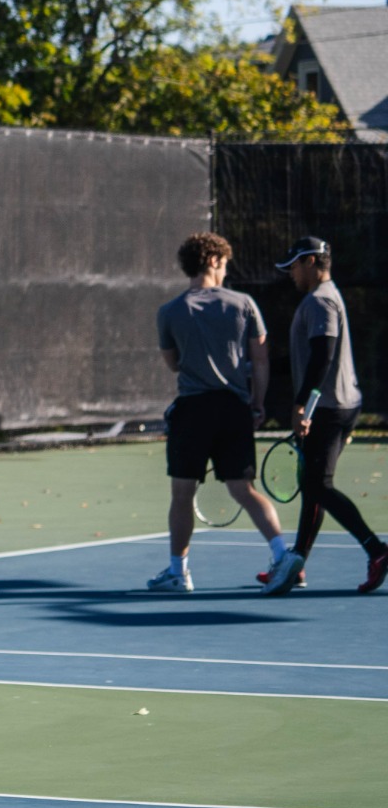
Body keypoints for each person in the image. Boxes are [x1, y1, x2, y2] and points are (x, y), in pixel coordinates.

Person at [152, 232, 289, 592]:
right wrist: (257, 403)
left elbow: (173, 364)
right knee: (243, 489)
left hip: (192, 412)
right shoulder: (244, 304)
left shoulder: (169, 312)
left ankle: (178, 574)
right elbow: (260, 359)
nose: (226, 269)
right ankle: (283, 557)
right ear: (212, 260)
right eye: (225, 263)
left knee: (182, 495)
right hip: (233, 411)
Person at [262, 237, 387, 596]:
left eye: (295, 266)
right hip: (335, 405)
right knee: (314, 486)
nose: (289, 274)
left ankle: (378, 551)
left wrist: (303, 405)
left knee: (318, 486)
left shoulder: (321, 301)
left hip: (330, 409)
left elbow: (323, 357)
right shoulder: (319, 300)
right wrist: (258, 368)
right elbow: (307, 360)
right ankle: (295, 564)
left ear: (313, 262)